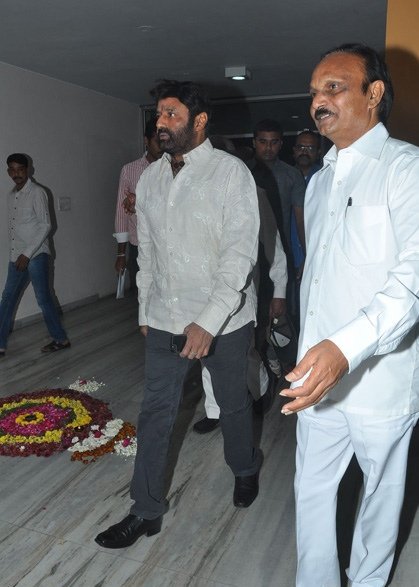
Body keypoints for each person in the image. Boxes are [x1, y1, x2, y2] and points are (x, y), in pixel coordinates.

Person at [95, 80, 263, 550]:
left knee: (231, 403)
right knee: (155, 414)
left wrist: (208, 321)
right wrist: (146, 306)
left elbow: (239, 254)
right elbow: (147, 251)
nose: (161, 123)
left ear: (200, 121)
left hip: (224, 320)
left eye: (172, 114)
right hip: (166, 317)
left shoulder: (231, 174)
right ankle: (145, 510)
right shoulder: (148, 179)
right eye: (158, 115)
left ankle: (246, 468)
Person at [280, 43, 419, 587]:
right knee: (311, 493)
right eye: (314, 91)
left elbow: (412, 283)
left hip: (381, 381)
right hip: (316, 377)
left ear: (374, 93)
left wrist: (344, 349)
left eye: (333, 87)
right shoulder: (317, 183)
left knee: (378, 506)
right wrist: (308, 353)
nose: (318, 100)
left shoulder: (406, 169)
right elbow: (316, 281)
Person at [193, 167, 288, 433]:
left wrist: (279, 291)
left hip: (241, 291)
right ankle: (214, 410)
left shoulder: (254, 194)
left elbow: (273, 244)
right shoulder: (192, 192)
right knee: (205, 351)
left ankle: (261, 389)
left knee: (244, 353)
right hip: (202, 291)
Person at [0, 154, 70, 358]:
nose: (16, 174)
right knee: (7, 298)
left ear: (28, 169)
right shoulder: (11, 195)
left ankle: (60, 339)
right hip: (17, 256)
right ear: (8, 172)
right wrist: (17, 254)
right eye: (12, 170)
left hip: (36, 255)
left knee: (43, 298)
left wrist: (27, 253)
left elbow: (45, 225)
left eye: (20, 169)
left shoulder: (38, 192)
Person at [113, 119, 161, 289]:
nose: (162, 145)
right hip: (139, 246)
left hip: (167, 245)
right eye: (157, 140)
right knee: (143, 296)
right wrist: (121, 254)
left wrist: (139, 202)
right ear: (146, 141)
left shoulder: (174, 169)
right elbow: (121, 214)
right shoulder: (129, 170)